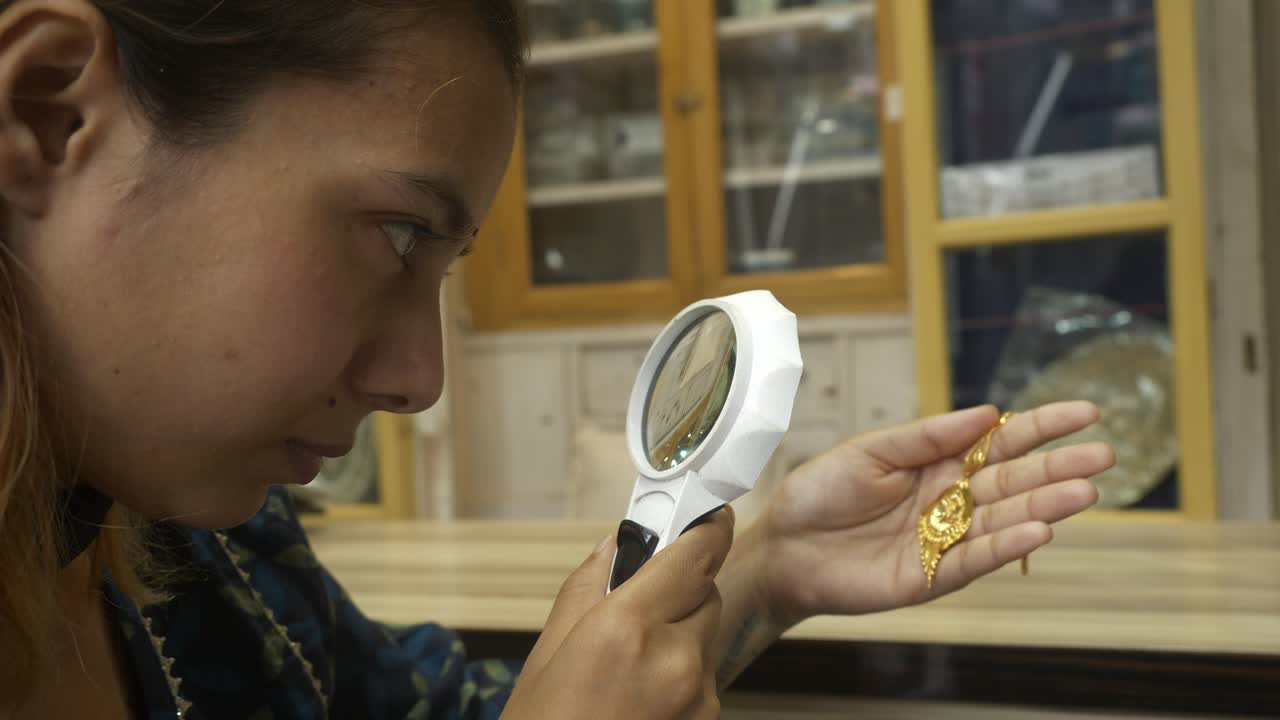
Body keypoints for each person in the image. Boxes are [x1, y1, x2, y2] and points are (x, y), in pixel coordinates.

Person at [0, 1, 1115, 717]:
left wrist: (764, 569)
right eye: (396, 234)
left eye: (444, 265)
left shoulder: (206, 549)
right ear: (46, 112)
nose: (418, 381)